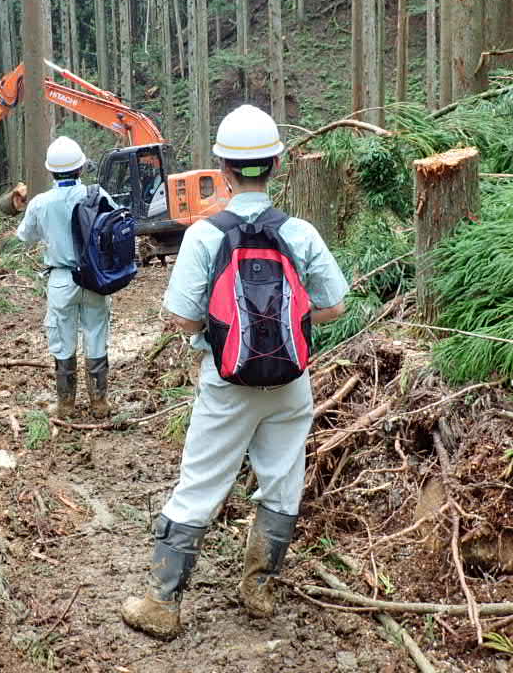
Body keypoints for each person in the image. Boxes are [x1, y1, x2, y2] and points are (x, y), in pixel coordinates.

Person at [121, 105, 349, 640]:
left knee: (199, 486)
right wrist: (286, 321)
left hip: (226, 383)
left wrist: (227, 328)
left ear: (222, 167)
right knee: (282, 481)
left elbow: (180, 317)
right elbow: (334, 306)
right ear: (275, 164)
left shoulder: (204, 235)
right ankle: (259, 588)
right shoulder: (300, 231)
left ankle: (162, 604)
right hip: (291, 382)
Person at [16, 136, 115, 419]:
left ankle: (66, 405)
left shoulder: (41, 203)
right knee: (96, 334)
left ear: (50, 170)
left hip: (61, 279)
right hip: (95, 278)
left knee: (62, 338)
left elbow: (25, 236)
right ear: (81, 167)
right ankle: (99, 402)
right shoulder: (97, 195)